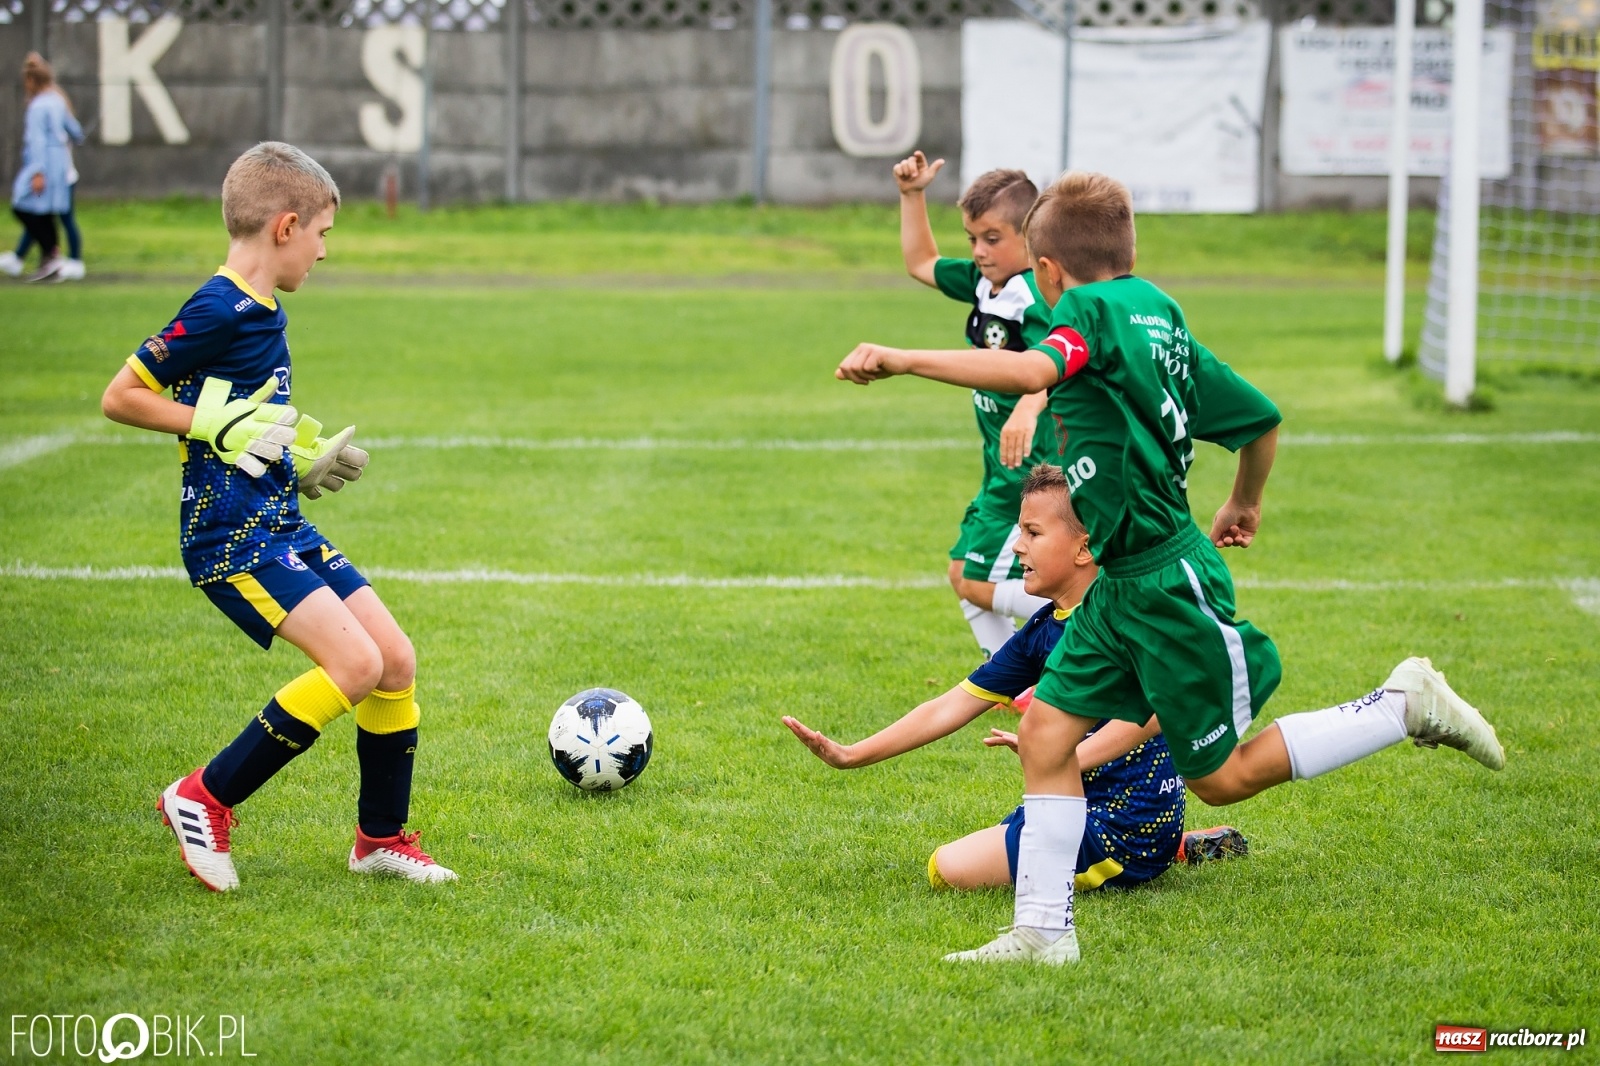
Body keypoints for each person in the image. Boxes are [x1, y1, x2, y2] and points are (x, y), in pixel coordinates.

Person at [836, 170, 1505, 964]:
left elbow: (1030, 370)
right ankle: (1044, 933)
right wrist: (1243, 503)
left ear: (1046, 271)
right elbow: (1258, 418)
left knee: (1222, 778)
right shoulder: (1163, 317)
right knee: (1047, 730)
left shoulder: (1083, 309)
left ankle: (1400, 704)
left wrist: (901, 358)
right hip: (1122, 583)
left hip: (1161, 578)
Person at [100, 141, 453, 892]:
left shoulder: (264, 311)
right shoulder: (218, 306)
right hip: (231, 537)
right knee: (353, 666)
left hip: (279, 521)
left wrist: (302, 456)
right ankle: (203, 796)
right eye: (324, 234)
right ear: (286, 226)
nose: (325, 253)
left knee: (393, 661)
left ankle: (379, 840)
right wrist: (210, 426)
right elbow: (122, 396)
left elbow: (245, 417)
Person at [783, 465, 1247, 898]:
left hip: (1124, 827)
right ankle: (1179, 846)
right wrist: (851, 755)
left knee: (945, 869)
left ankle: (1159, 849)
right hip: (1073, 806)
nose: (1016, 546)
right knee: (994, 841)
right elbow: (952, 705)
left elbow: (1151, 714)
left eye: (1033, 532)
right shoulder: (1045, 629)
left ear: (1085, 547)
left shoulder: (1126, 615)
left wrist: (1060, 756)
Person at [893, 150, 1059, 660]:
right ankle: (1023, 685)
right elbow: (921, 262)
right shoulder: (986, 284)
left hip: (1035, 468)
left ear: (1029, 237)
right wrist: (912, 194)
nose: (980, 251)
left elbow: (1064, 355)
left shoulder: (1036, 294)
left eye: (993, 238)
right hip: (1002, 468)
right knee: (963, 573)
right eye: (972, 239)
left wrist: (1029, 406)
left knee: (970, 577)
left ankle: (1069, 639)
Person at [1, 55, 85, 281]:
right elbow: (75, 131)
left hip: (44, 164)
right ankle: (45, 257)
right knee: (45, 213)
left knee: (22, 205)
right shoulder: (58, 100)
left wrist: (37, 172)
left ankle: (54, 255)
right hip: (61, 165)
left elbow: (37, 141)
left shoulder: (38, 106)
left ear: (30, 81)